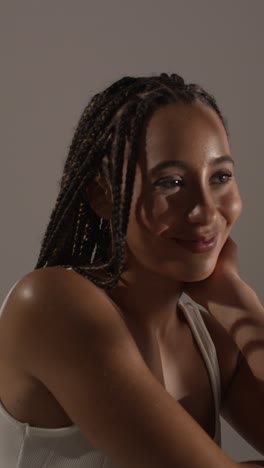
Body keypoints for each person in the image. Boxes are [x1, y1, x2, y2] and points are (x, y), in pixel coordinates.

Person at [0, 73, 263, 468]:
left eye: (220, 177)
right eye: (171, 182)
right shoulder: (51, 305)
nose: (207, 211)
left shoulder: (210, 337)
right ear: (103, 196)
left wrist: (239, 302)